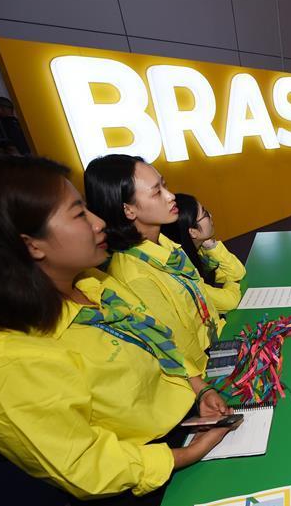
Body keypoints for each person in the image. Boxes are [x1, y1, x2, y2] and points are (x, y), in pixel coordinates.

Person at [0, 155, 233, 506]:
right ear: (30, 244)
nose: (100, 222)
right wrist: (182, 456)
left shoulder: (92, 285)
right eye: (79, 213)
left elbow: (158, 342)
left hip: (185, 431)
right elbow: (85, 465)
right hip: (139, 491)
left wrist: (199, 388)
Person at [85, 155, 224, 373]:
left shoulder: (167, 245)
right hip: (203, 372)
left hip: (218, 344)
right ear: (128, 210)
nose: (170, 196)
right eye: (157, 192)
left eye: (164, 185)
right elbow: (178, 347)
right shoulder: (134, 275)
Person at [160, 193, 245, 313]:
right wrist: (233, 283)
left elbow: (237, 271)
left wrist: (212, 246)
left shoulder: (198, 250)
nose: (210, 215)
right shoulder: (182, 271)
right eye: (205, 214)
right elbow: (229, 302)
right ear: (193, 232)